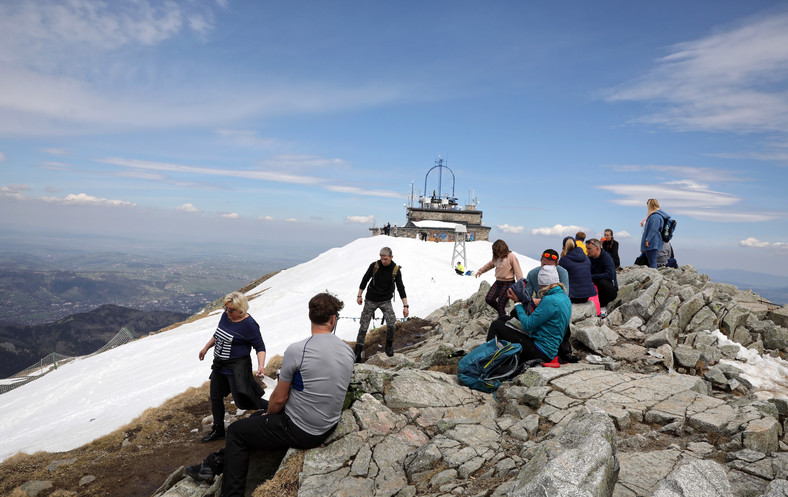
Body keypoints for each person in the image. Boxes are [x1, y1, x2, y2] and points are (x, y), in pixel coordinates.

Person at [186, 293, 355, 496]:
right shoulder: (347, 351)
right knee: (256, 418)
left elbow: (279, 398)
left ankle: (230, 493)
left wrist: (272, 413)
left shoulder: (298, 350)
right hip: (328, 424)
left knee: (237, 432)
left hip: (302, 429)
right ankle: (213, 464)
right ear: (333, 319)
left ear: (310, 316)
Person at [198, 292, 267, 443]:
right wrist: (206, 348)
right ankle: (218, 429)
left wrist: (261, 366)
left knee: (243, 400)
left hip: (237, 367)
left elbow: (260, 347)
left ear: (241, 309)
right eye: (226, 308)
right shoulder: (225, 316)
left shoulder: (249, 325)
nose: (227, 312)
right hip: (220, 365)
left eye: (231, 310)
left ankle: (273, 408)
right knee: (215, 397)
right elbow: (218, 334)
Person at [486, 265, 571, 363]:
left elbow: (527, 325)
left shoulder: (550, 300)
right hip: (550, 349)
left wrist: (517, 303)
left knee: (496, 325)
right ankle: (499, 356)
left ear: (542, 283)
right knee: (504, 319)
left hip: (540, 351)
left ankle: (487, 360)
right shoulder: (564, 298)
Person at [356, 247, 409, 361]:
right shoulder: (374, 266)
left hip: (385, 300)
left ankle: (389, 346)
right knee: (363, 326)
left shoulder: (395, 270)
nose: (383, 261)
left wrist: (405, 306)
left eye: (385, 259)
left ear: (391, 257)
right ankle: (358, 352)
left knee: (391, 323)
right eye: (382, 258)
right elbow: (365, 279)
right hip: (370, 299)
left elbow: (401, 287)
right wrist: (359, 295)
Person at [476, 239, 523, 317]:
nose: (498, 254)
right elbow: (489, 265)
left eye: (499, 252)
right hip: (498, 282)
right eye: (496, 252)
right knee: (489, 299)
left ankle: (502, 319)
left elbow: (517, 271)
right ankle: (503, 314)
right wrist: (481, 271)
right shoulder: (496, 257)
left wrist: (521, 283)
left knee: (501, 304)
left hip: (508, 283)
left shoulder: (511, 256)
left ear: (503, 249)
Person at [558, 237, 597, 303]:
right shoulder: (586, 258)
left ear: (564, 247)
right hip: (586, 296)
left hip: (573, 296)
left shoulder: (564, 260)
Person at [586, 238, 618, 316]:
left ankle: (603, 306)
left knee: (602, 281)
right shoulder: (588, 258)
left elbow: (609, 275)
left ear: (597, 248)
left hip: (610, 290)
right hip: (595, 286)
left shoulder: (606, 258)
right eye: (586, 248)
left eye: (589, 248)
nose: (587, 250)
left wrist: (592, 277)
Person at [640, 198, 669, 268]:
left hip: (652, 242)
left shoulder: (655, 216)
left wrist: (647, 240)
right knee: (652, 261)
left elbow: (653, 229)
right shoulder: (657, 215)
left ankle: (654, 277)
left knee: (652, 262)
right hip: (654, 241)